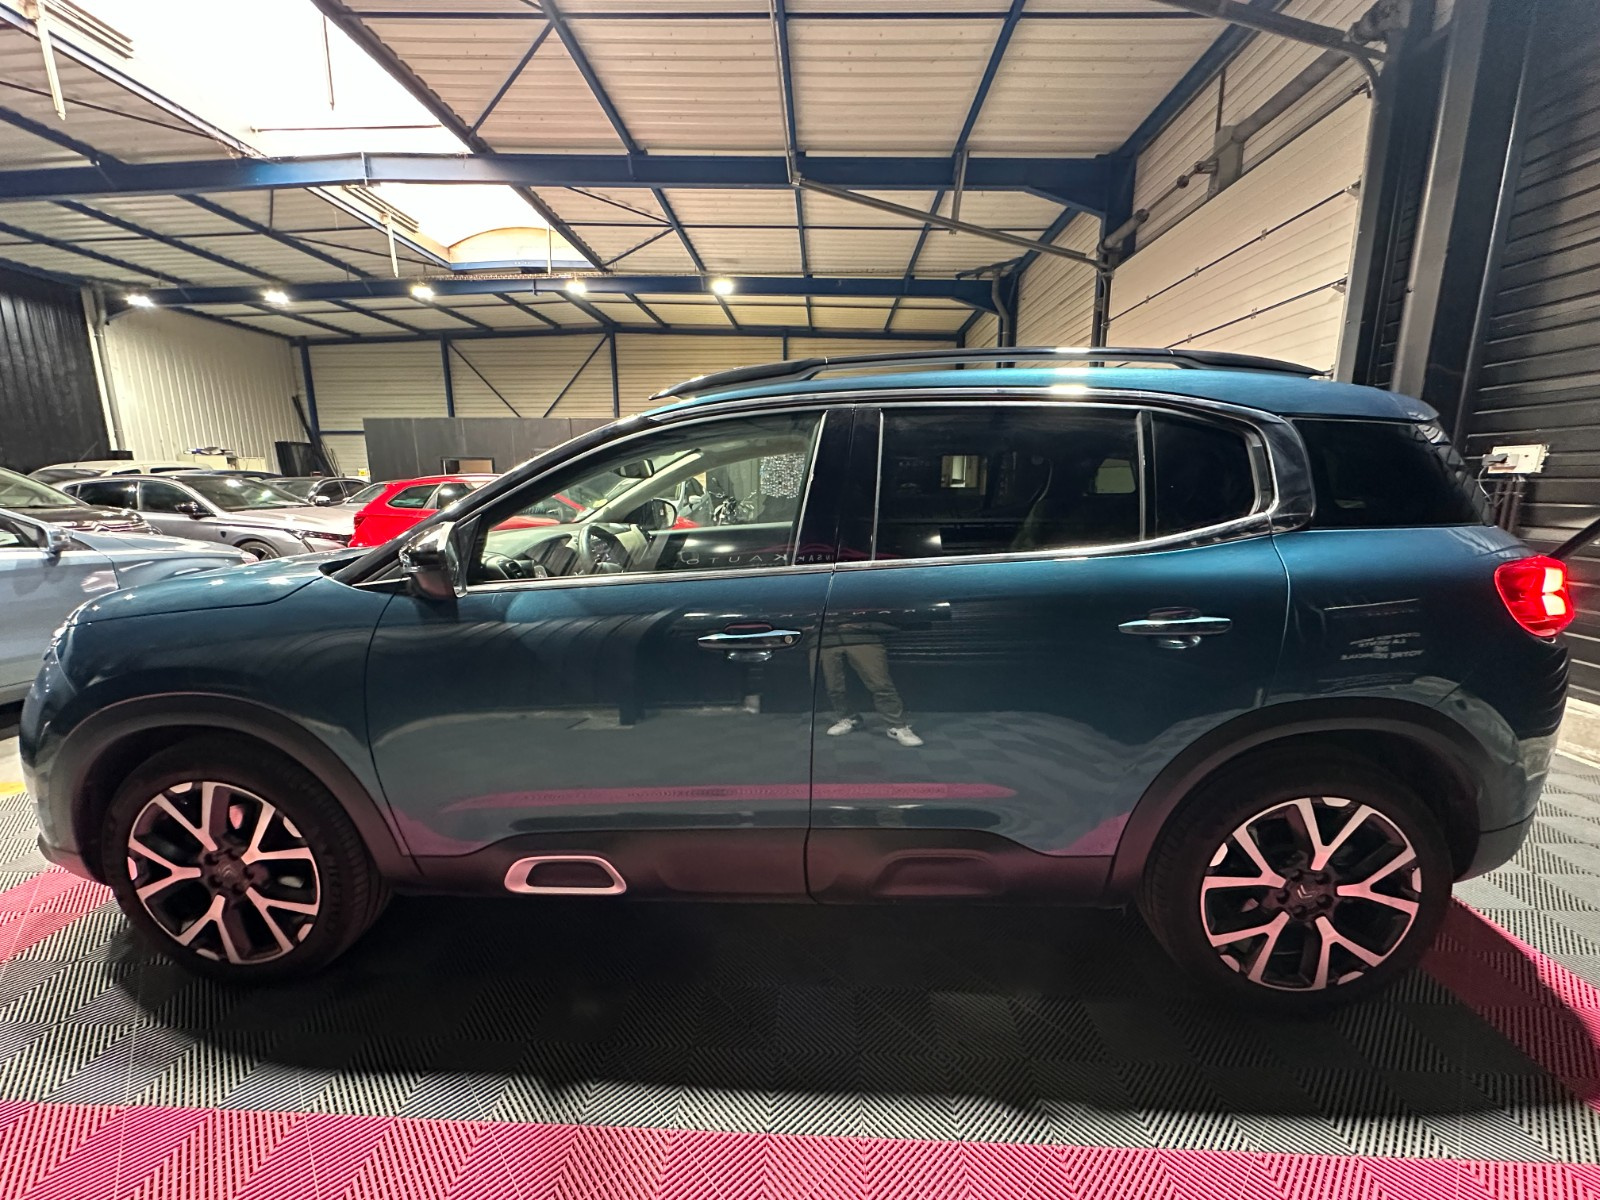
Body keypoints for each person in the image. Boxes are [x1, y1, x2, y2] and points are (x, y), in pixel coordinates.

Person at [817, 618, 923, 748]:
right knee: (833, 686)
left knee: (881, 684)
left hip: (863, 636)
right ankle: (849, 718)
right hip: (824, 639)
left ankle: (896, 725)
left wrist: (863, 625)